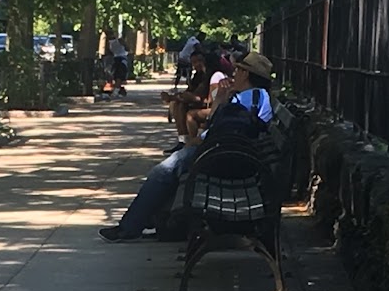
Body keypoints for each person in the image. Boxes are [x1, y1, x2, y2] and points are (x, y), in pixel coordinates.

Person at [100, 51, 276, 241]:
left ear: (246, 74)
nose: (234, 73)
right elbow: (219, 125)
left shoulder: (251, 97)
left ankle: (131, 227)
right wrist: (220, 100)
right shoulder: (250, 96)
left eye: (238, 70)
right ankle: (156, 222)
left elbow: (223, 129)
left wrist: (204, 132)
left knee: (163, 171)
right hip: (228, 153)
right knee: (172, 169)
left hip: (224, 156)